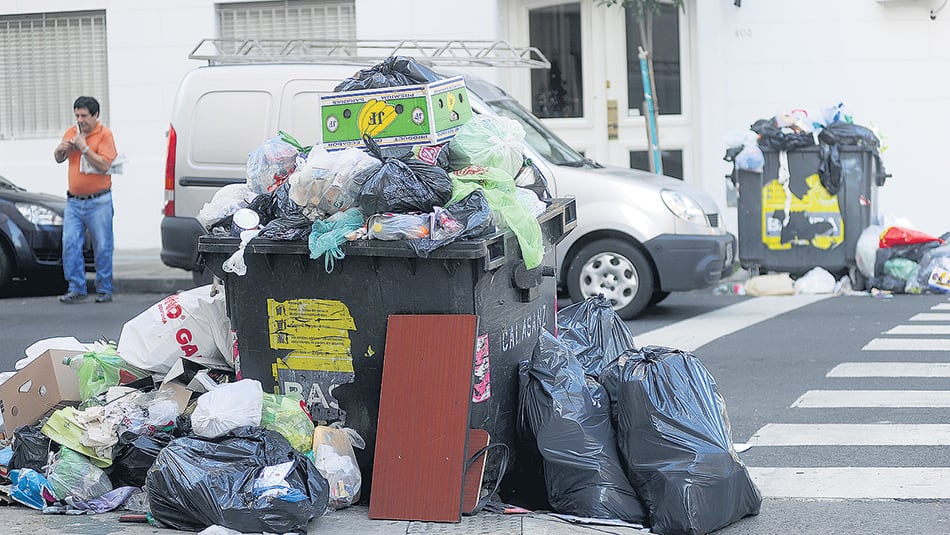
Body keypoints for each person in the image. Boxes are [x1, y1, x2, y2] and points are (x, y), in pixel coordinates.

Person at [52, 96, 118, 304]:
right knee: (70, 243)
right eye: (77, 116)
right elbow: (58, 158)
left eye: (84, 116)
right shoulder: (72, 132)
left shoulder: (105, 135)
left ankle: (104, 289)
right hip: (74, 202)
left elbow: (105, 165)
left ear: (95, 115)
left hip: (99, 201)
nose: (80, 120)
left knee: (103, 245)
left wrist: (84, 148)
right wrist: (60, 150)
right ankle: (76, 288)